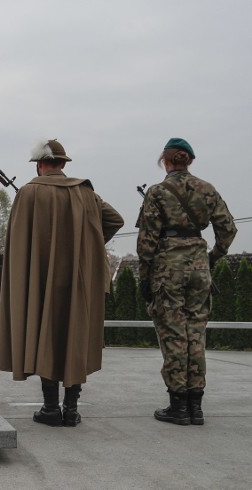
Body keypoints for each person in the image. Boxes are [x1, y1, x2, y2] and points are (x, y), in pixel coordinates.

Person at [0, 139, 124, 427]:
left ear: (40, 165)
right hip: (78, 281)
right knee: (74, 337)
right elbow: (115, 219)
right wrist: (90, 246)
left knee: (46, 336)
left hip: (39, 280)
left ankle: (51, 409)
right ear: (63, 164)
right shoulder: (86, 193)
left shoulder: (28, 193)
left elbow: (17, 244)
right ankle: (72, 409)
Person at [137, 138, 236, 426]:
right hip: (199, 268)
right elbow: (228, 230)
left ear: (165, 161)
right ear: (189, 161)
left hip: (168, 269)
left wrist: (145, 278)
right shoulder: (207, 189)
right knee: (196, 333)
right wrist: (212, 258)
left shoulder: (157, 193)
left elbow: (146, 243)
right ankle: (196, 406)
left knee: (173, 334)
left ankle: (178, 405)